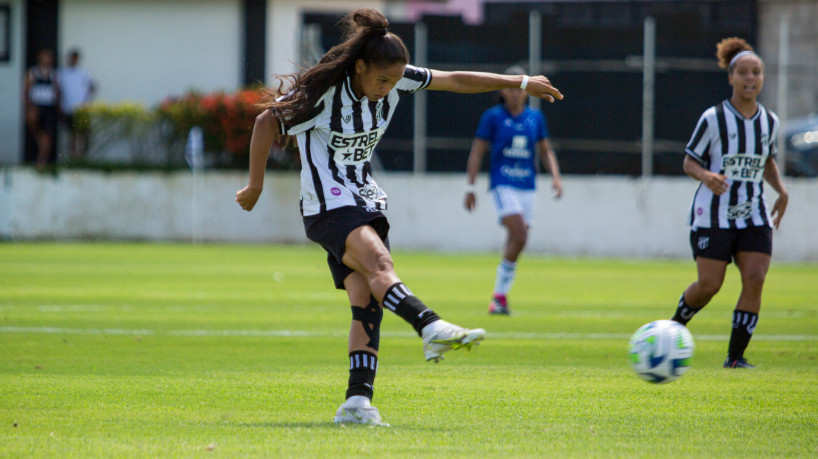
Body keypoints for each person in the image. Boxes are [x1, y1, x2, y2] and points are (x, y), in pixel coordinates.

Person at [235, 8, 563, 425]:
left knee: (368, 300)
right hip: (328, 204)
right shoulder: (325, 96)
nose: (388, 89)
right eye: (381, 81)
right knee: (381, 264)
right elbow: (267, 120)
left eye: (394, 81)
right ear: (359, 68)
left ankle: (356, 403)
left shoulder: (396, 79)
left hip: (366, 199)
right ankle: (430, 326)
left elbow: (455, 79)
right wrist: (256, 186)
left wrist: (518, 82)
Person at [669, 37, 789, 369]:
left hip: (753, 213)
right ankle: (674, 327)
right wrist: (707, 176)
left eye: (757, 72)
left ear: (762, 78)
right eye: (744, 73)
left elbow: (767, 161)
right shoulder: (713, 119)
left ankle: (735, 358)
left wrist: (781, 190)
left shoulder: (770, 122)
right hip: (713, 214)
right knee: (709, 285)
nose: (751, 78)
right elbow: (689, 162)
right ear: (731, 77)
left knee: (755, 278)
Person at [463, 65, 563, 316]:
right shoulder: (493, 117)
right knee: (519, 234)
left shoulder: (535, 118)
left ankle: (500, 298)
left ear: (527, 92)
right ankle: (498, 297)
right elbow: (477, 150)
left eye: (520, 89)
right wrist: (470, 186)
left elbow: (545, 150)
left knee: (518, 240)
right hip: (502, 183)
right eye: (510, 88)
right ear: (504, 91)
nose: (516, 93)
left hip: (527, 186)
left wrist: (555, 177)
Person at [23, 49, 59, 169]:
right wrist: (28, 107)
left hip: (49, 106)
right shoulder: (33, 73)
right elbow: (26, 91)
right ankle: (40, 157)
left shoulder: (53, 73)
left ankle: (41, 160)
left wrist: (58, 107)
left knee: (48, 134)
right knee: (36, 129)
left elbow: (57, 91)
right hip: (36, 105)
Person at [58, 48, 95, 159]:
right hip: (67, 108)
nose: (73, 60)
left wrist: (86, 101)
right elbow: (57, 89)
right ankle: (73, 157)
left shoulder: (82, 73)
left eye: (75, 59)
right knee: (72, 134)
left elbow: (92, 86)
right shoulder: (62, 73)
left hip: (81, 109)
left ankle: (82, 157)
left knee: (83, 134)